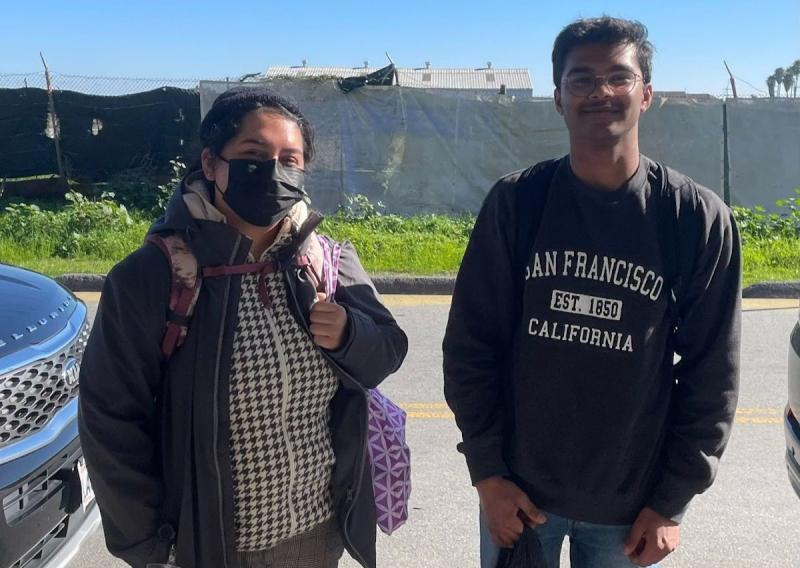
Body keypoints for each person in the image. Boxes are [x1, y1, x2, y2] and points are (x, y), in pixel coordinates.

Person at [443, 17, 741, 568]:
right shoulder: (517, 205)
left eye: (618, 77)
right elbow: (470, 347)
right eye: (581, 79)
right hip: (520, 498)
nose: (600, 91)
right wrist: (487, 475)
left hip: (630, 509)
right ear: (558, 97)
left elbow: (711, 373)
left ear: (646, 93)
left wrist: (672, 501)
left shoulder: (693, 218)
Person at [78, 86, 408, 568]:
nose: (274, 172)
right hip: (210, 546)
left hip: (318, 537)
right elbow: (110, 421)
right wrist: (148, 547)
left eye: (290, 160)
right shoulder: (152, 278)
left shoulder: (325, 259)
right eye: (254, 156)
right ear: (211, 164)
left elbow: (389, 349)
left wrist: (350, 334)